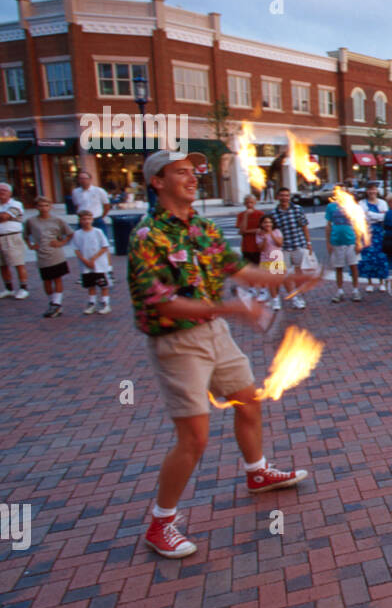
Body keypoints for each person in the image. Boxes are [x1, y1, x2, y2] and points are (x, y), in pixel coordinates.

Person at [129, 150, 317, 558]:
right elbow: (164, 304)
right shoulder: (147, 236)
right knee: (194, 437)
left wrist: (287, 277)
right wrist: (233, 308)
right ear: (157, 182)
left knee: (248, 402)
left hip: (214, 332)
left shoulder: (201, 226)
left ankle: (257, 472)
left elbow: (238, 270)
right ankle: (161, 523)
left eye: (194, 171)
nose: (193, 177)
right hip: (177, 342)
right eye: (180, 172)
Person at [23, 196, 73, 318]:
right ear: (36, 207)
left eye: (46, 205)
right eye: (40, 205)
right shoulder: (31, 221)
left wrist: (61, 243)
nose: (43, 208)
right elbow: (25, 235)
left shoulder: (57, 220)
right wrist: (30, 245)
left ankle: (57, 303)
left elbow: (70, 233)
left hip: (56, 254)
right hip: (42, 255)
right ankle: (52, 301)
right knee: (46, 280)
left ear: (51, 207)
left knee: (57, 278)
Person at [0, 182, 30, 300]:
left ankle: (23, 288)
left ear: (10, 193)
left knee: (18, 263)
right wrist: (0, 218)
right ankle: (8, 288)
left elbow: (5, 217)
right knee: (1, 265)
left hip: (11, 237)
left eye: (4, 190)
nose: (2, 192)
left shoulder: (16, 204)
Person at [270, 187, 312, 310]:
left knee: (299, 273)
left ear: (289, 197)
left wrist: (308, 243)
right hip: (282, 248)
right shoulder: (273, 213)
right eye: (282, 195)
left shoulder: (297, 209)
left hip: (298, 244)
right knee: (281, 274)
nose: (284, 198)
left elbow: (304, 226)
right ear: (277, 197)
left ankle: (298, 295)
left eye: (287, 195)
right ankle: (290, 297)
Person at [72, 170, 115, 284]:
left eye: (85, 178)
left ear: (90, 179)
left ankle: (108, 270)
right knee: (82, 245)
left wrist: (101, 216)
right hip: (82, 220)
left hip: (96, 219)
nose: (83, 180)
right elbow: (77, 206)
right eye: (81, 178)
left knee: (103, 245)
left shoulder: (99, 191)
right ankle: (85, 272)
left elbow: (106, 205)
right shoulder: (76, 192)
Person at [323, 190, 362, 304]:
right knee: (338, 267)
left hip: (351, 241)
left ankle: (355, 290)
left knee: (354, 267)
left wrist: (359, 241)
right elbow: (328, 225)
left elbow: (358, 225)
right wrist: (328, 243)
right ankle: (340, 291)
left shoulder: (353, 206)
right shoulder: (331, 207)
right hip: (336, 242)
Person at [72, 210, 112, 315]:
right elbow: (76, 250)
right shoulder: (77, 234)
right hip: (86, 266)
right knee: (91, 285)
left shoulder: (98, 232)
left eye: (89, 219)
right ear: (80, 220)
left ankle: (105, 303)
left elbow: (104, 247)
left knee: (103, 285)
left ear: (92, 220)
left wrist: (93, 259)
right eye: (84, 219)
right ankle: (92, 303)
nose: (86, 221)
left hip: (99, 265)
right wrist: (85, 260)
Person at [356, 184, 389, 295]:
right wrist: (376, 216)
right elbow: (362, 217)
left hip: (380, 233)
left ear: (377, 191)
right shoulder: (362, 203)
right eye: (369, 189)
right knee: (367, 258)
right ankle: (369, 283)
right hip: (366, 233)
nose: (372, 191)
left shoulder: (383, 203)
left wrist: (370, 214)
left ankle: (382, 282)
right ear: (367, 191)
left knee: (381, 257)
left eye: (373, 189)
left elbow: (384, 217)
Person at [235, 194, 267, 301]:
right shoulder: (241, 215)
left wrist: (247, 232)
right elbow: (241, 230)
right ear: (244, 203)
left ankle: (263, 290)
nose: (249, 205)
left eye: (251, 202)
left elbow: (262, 230)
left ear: (255, 203)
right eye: (247, 202)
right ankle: (252, 288)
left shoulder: (260, 214)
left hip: (258, 247)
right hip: (246, 247)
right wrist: (246, 217)